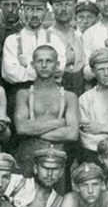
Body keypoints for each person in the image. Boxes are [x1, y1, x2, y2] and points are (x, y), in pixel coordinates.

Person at [14, 45, 79, 178]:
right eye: (39, 61)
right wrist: (58, 123)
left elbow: (72, 134)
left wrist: (33, 131)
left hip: (56, 159)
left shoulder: (69, 96)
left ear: (57, 64)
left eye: (49, 61)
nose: (44, 65)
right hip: (29, 157)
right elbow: (21, 128)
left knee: (56, 198)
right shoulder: (23, 94)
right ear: (32, 64)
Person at [1, 0, 67, 88]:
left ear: (46, 11)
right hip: (21, 94)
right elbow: (11, 74)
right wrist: (47, 70)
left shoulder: (54, 39)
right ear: (22, 10)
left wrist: (27, 63)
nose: (35, 15)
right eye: (30, 9)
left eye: (39, 9)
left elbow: (60, 69)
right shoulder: (12, 40)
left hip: (49, 93)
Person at [48, 0, 86, 95]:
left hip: (79, 91)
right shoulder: (46, 36)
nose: (63, 9)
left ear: (74, 7)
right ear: (52, 8)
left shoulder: (79, 36)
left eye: (68, 4)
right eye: (58, 4)